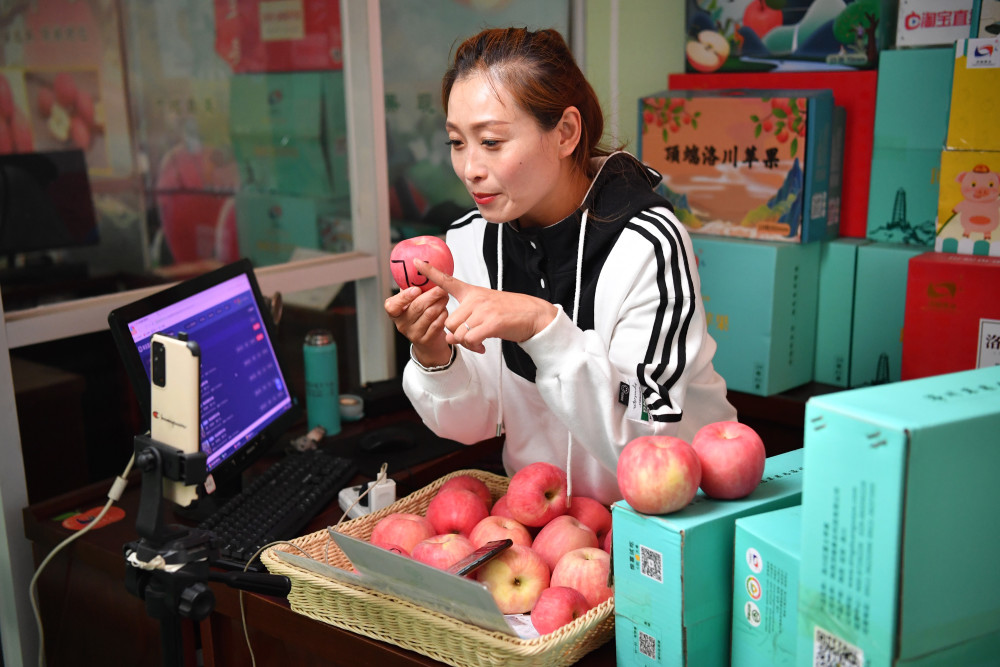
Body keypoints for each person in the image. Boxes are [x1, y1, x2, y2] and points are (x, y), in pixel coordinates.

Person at [384, 27, 736, 506]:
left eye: (490, 141)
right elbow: (472, 426)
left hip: (675, 518)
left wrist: (540, 326)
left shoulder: (647, 243)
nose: (469, 168)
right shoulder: (470, 240)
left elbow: (652, 441)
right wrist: (433, 354)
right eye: (456, 142)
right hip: (549, 530)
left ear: (566, 132)